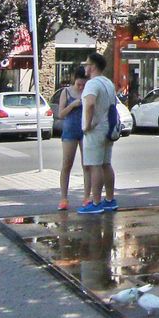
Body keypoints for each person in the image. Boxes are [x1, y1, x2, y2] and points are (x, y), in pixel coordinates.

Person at [78, 52, 120, 215]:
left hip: (95, 129)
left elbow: (89, 104)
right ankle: (109, 199)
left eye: (87, 64)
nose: (85, 67)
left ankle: (96, 202)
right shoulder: (108, 83)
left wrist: (87, 125)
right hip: (109, 128)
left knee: (95, 165)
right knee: (106, 164)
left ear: (93, 66)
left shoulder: (92, 84)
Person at [55, 67, 88, 210]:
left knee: (87, 165)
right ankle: (63, 198)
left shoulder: (88, 92)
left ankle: (87, 197)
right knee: (67, 164)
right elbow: (61, 114)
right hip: (70, 131)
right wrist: (73, 105)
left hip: (85, 131)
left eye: (83, 84)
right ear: (74, 80)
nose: (80, 87)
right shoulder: (66, 92)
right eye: (78, 84)